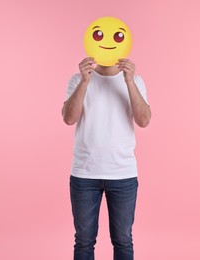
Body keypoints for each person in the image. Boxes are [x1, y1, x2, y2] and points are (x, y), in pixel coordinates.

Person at [62, 57, 151, 260]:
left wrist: (128, 82)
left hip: (123, 174)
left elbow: (144, 120)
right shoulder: (77, 80)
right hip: (84, 174)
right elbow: (68, 118)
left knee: (123, 240)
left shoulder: (135, 80)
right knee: (84, 241)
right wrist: (85, 81)